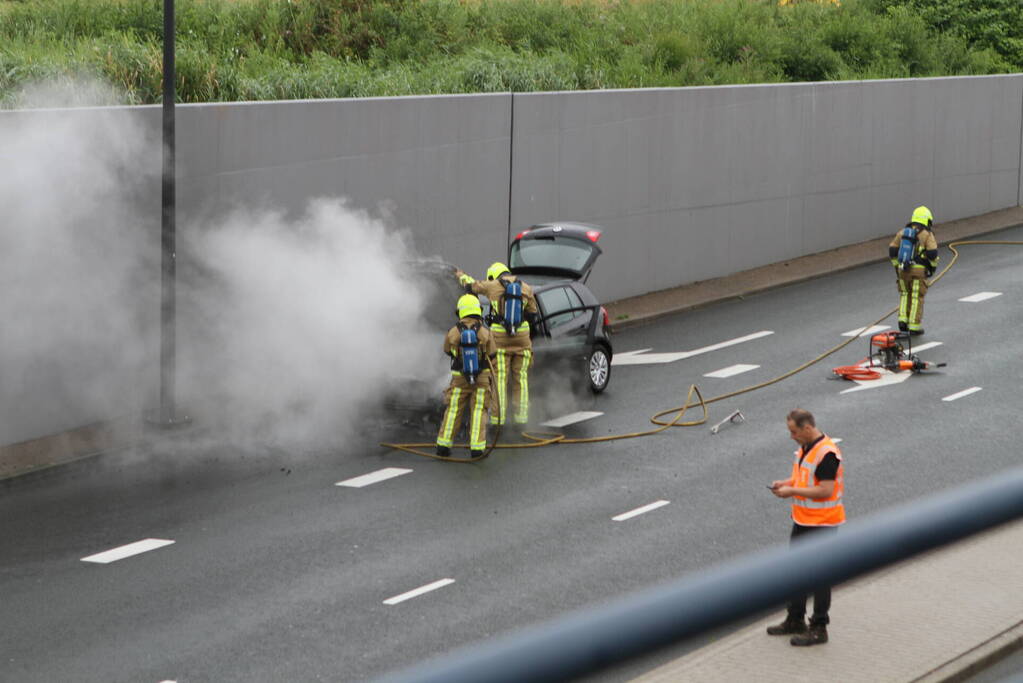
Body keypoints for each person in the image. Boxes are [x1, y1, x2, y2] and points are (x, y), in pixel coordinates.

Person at [767, 409, 845, 646]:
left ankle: (819, 627)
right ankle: (795, 618)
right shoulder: (806, 447)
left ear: (807, 428)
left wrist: (791, 491)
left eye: (794, 431)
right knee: (797, 570)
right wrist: (786, 483)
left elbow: (825, 490)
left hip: (822, 522)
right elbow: (805, 478)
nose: (791, 436)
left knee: (820, 576)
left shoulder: (827, 453)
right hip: (803, 519)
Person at [455, 262, 538, 426]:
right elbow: (533, 315)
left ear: (493, 276)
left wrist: (460, 275)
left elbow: (471, 285)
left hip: (500, 340)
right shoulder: (526, 288)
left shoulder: (492, 286)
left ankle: (498, 420)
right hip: (522, 339)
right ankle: (521, 419)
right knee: (521, 379)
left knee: (500, 380)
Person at [436, 294, 497, 459]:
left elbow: (447, 350)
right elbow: (492, 353)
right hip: (481, 378)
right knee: (479, 411)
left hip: (459, 378)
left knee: (453, 410)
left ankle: (443, 445)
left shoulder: (453, 332)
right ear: (478, 310)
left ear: (460, 311)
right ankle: (476, 448)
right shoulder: (485, 331)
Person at [889, 206, 938, 335]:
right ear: (927, 220)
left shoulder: (903, 232)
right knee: (916, 297)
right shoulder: (927, 234)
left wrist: (897, 267)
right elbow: (933, 254)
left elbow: (892, 250)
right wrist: (932, 268)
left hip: (903, 271)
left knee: (905, 294)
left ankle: (902, 321)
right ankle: (914, 326)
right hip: (918, 272)